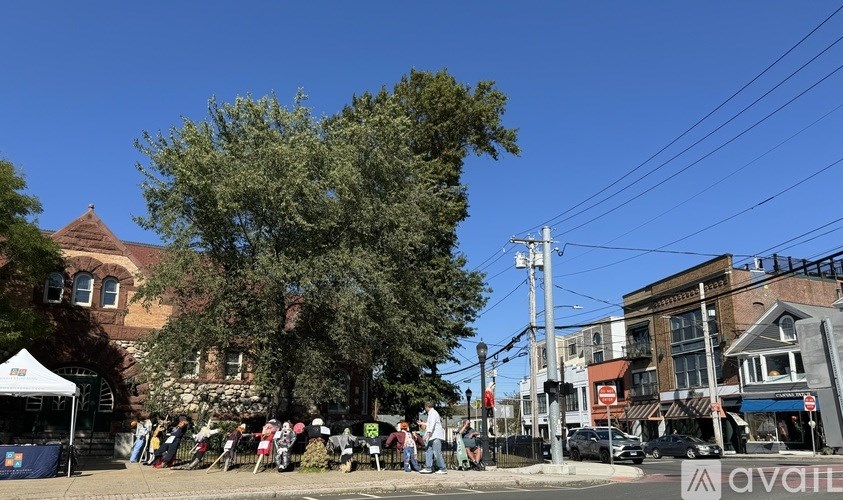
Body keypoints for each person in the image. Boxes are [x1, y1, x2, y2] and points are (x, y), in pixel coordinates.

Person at [418, 401, 447, 474]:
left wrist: (428, 433)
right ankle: (428, 468)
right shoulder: (431, 413)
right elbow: (430, 423)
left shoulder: (433, 413)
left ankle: (443, 468)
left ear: (426, 407)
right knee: (428, 451)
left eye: (425, 407)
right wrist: (422, 423)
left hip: (435, 436)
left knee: (437, 453)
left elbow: (432, 424)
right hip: (432, 437)